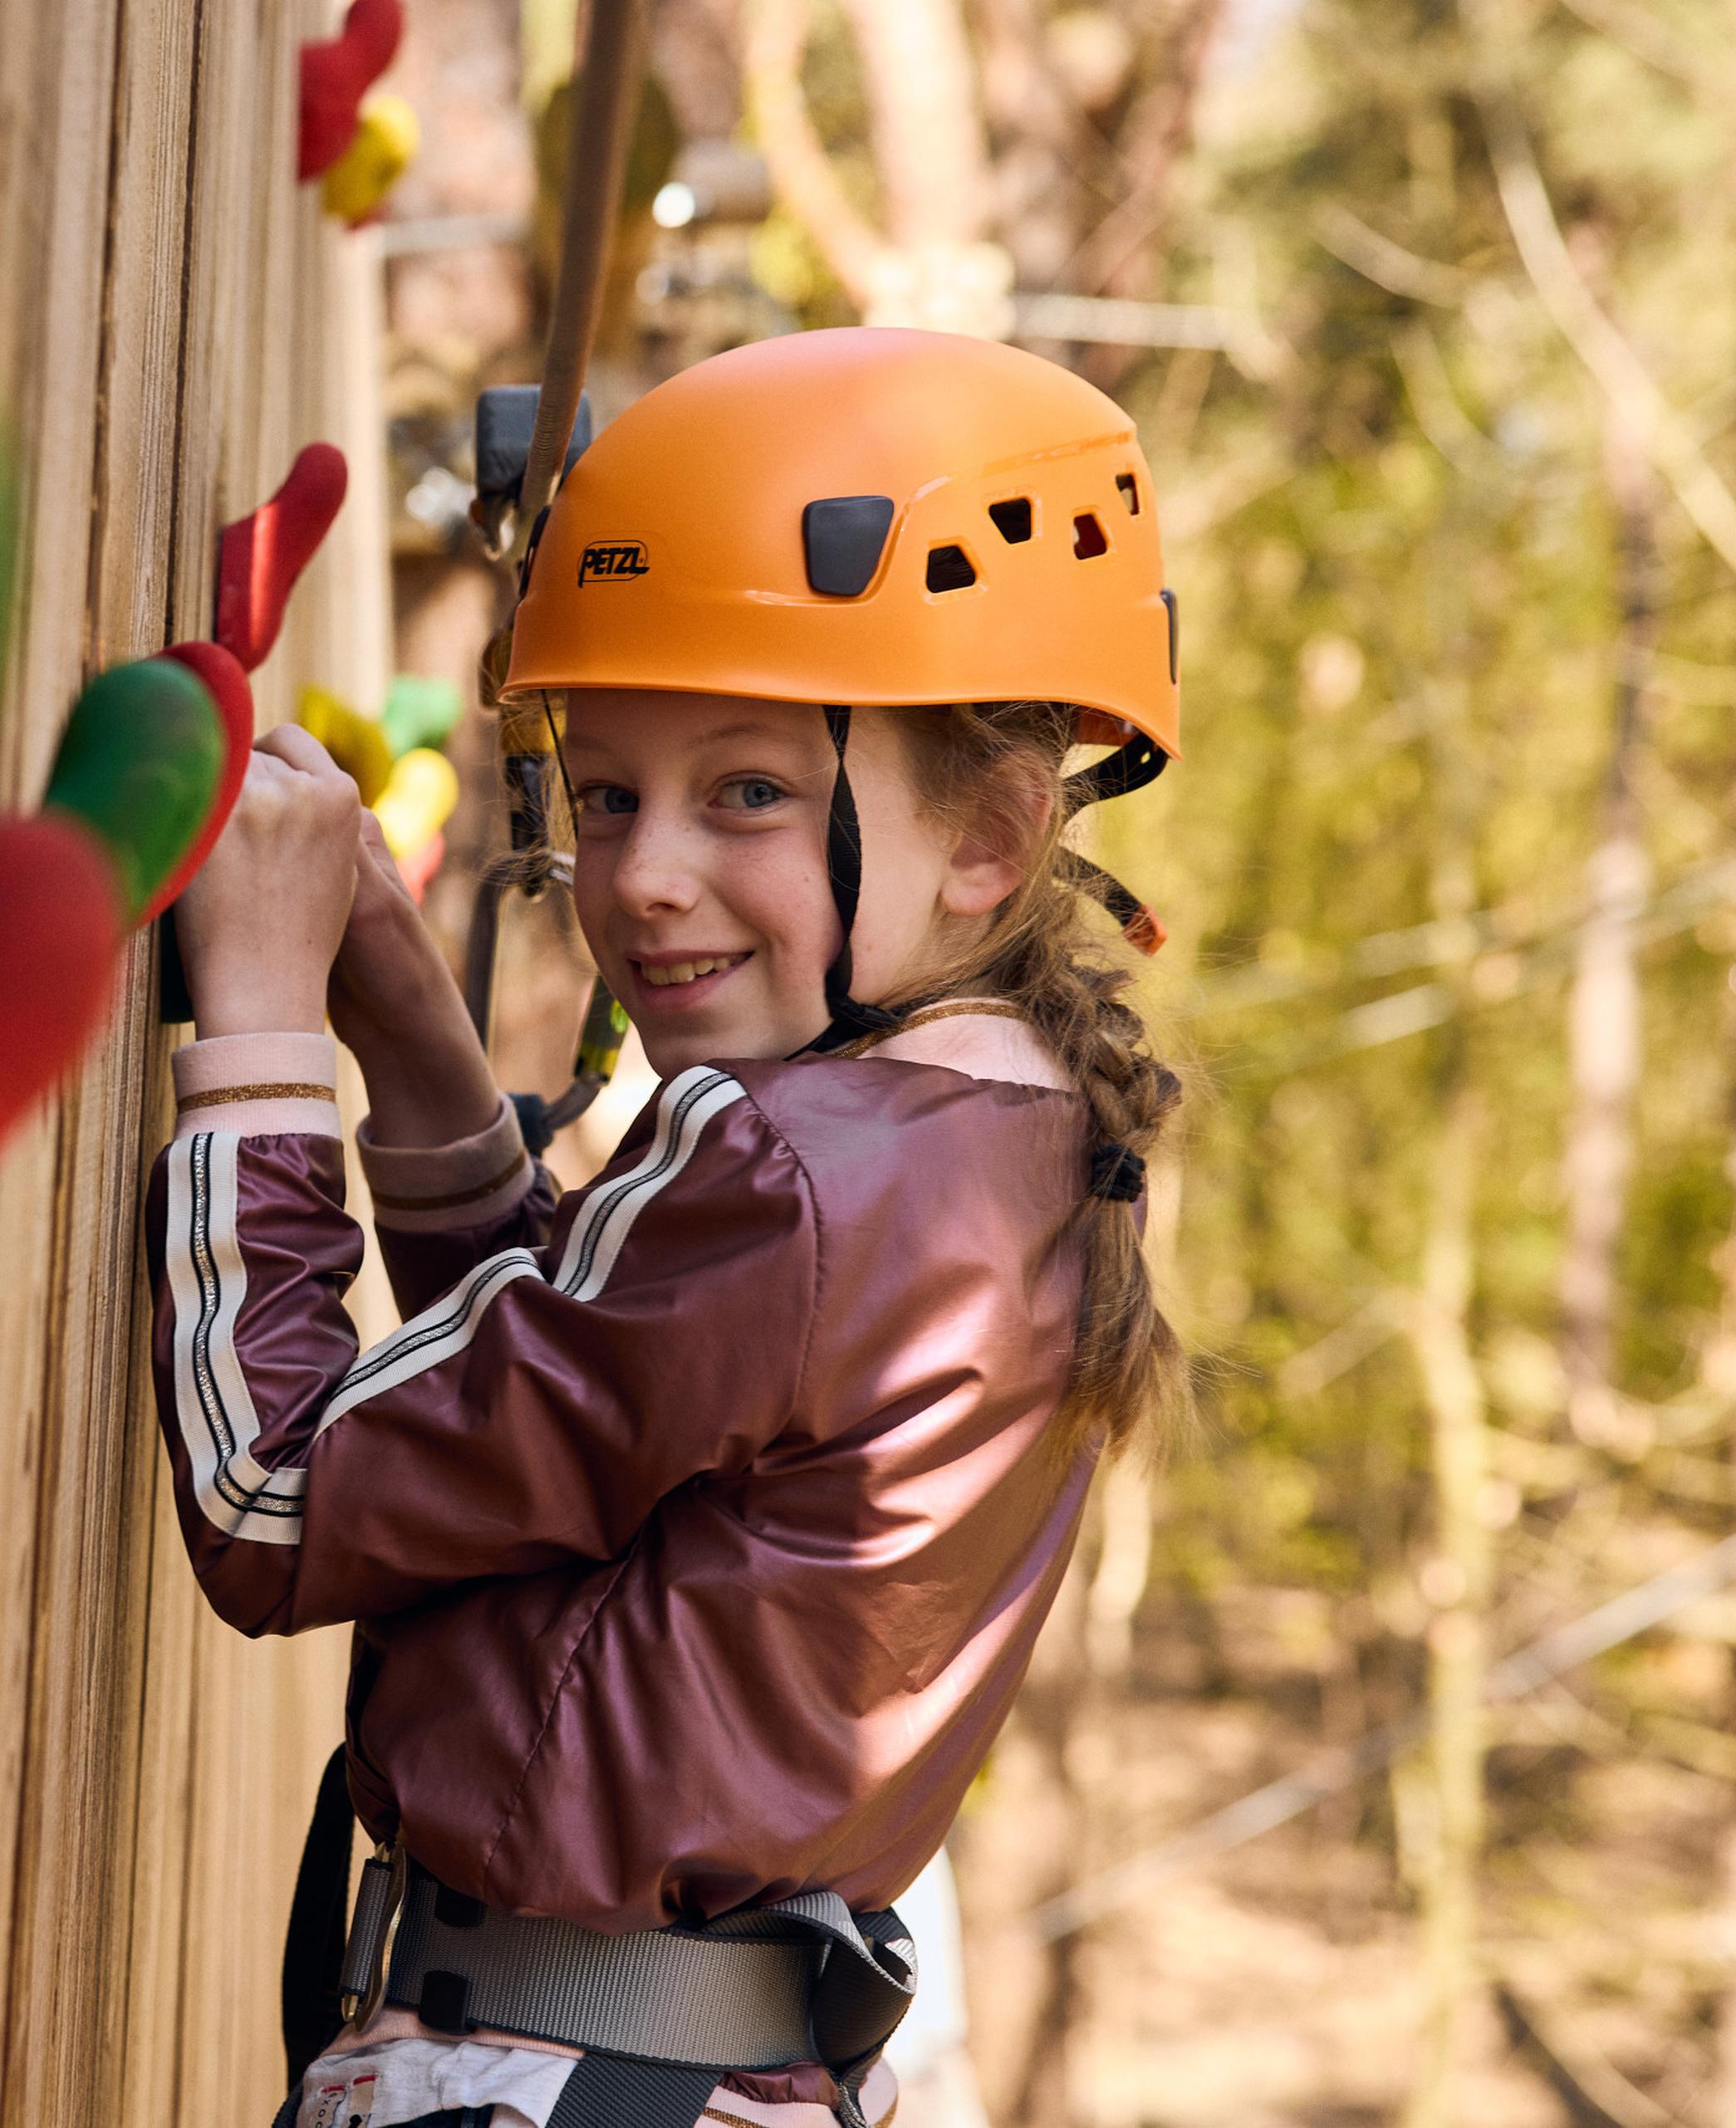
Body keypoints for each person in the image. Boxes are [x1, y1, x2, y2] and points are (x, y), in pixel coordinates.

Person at [145, 328, 1186, 2128]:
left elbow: (276, 1499)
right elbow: (568, 1443)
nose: (643, 876)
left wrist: (247, 1027)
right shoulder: (996, 1142)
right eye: (608, 791)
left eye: (750, 793)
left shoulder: (795, 1171)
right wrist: (399, 1015)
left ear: (993, 839)